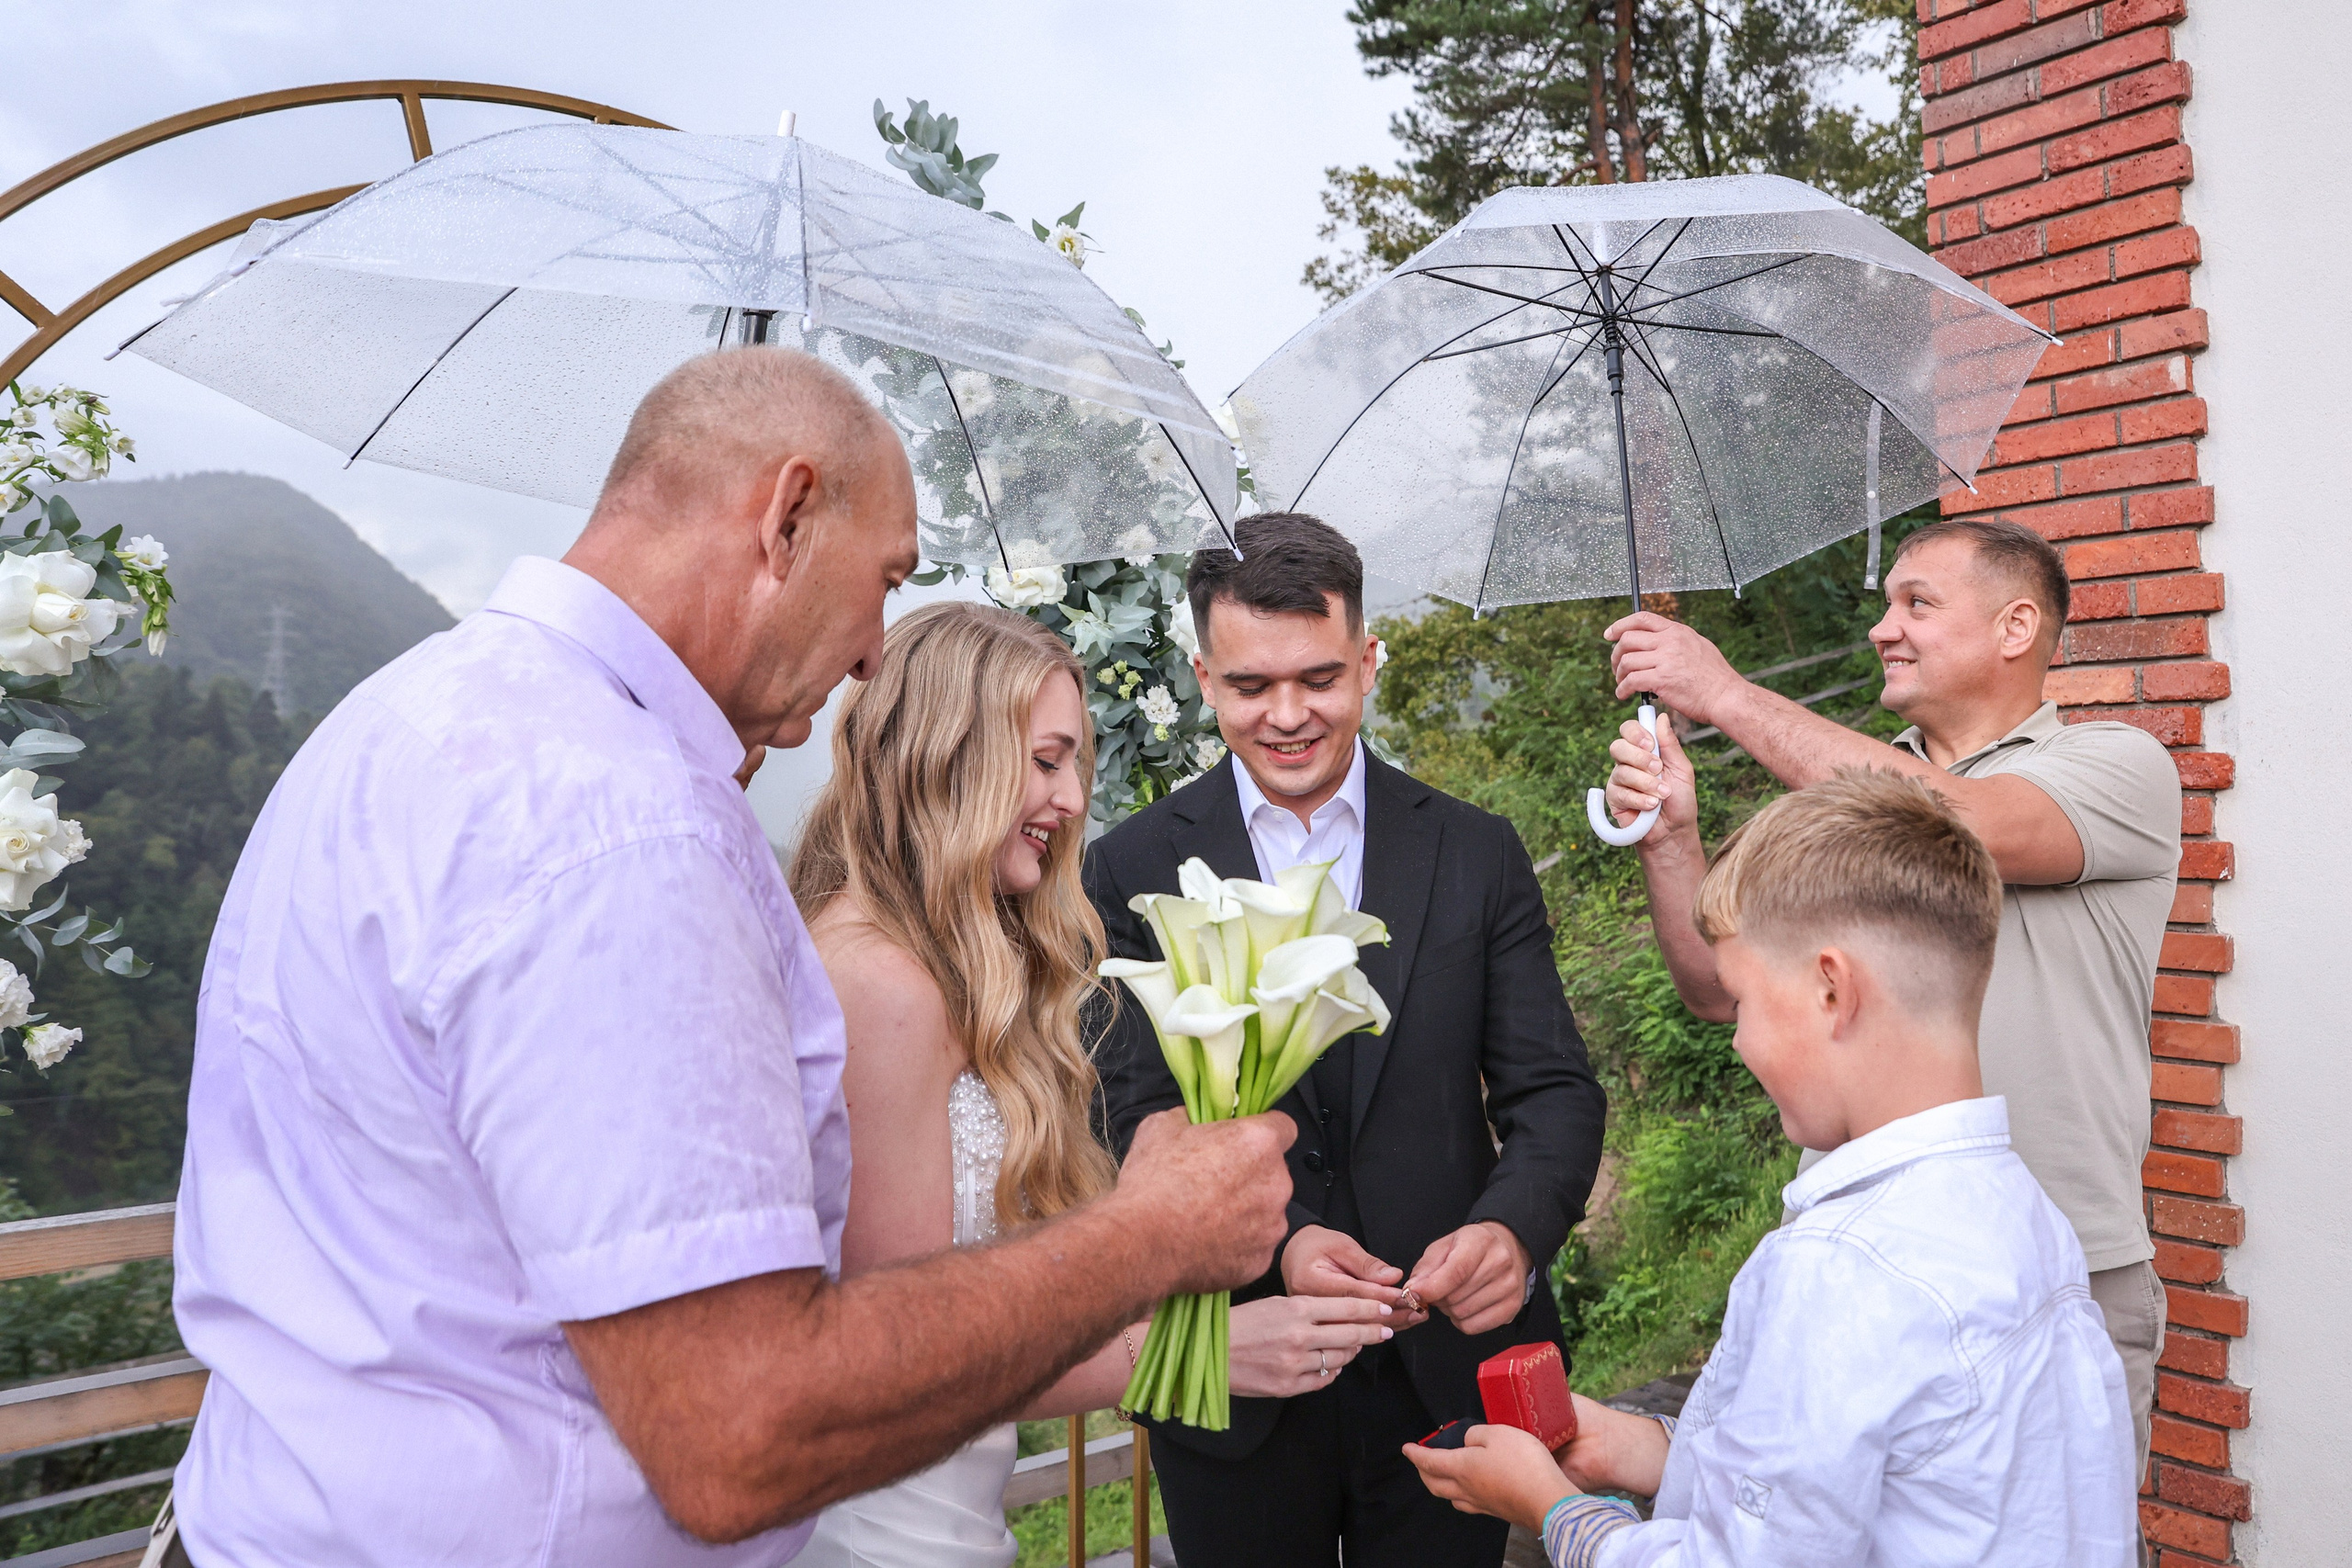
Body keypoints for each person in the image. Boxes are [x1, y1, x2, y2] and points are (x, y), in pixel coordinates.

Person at [165, 347, 1297, 1568]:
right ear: (787, 515)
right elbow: (737, 1433)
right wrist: (1147, 1237)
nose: (875, 653)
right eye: (887, 580)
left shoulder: (400, 717)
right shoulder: (620, 822)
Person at [786, 602, 1396, 1567]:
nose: (1071, 800)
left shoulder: (923, 965)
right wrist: (1204, 1356)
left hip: (948, 1509)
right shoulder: (880, 984)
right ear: (946, 751)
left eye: (1076, 765)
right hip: (884, 1528)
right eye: (1043, 760)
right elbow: (911, 1357)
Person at [1407, 770, 2138, 1566]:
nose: (1739, 1041)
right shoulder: (2025, 1216)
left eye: (1744, 1001)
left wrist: (1554, 1507)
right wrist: (1650, 1447)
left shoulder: (1838, 1269)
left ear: (1832, 989)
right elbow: (1868, 1481)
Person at [1600, 517, 2179, 1476]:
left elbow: (1965, 824)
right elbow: (1714, 989)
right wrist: (1671, 837)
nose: (1881, 628)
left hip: (2061, 1272)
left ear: (2015, 626)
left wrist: (1725, 694)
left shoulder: (2115, 768)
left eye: (1917, 602)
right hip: (1855, 1269)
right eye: (1883, 606)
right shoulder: (1837, 799)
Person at [1087, 512, 1609, 1568]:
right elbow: (1128, 1115)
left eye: (1318, 678)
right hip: (1239, 1374)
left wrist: (1511, 1232)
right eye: (1249, 687)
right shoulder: (1127, 868)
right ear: (1201, 676)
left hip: (1447, 1367)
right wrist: (1281, 1245)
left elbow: (1552, 1090)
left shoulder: (1476, 851)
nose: (1287, 715)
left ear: (1369, 661)